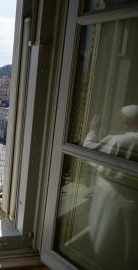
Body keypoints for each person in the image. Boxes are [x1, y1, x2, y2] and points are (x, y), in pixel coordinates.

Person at [83, 105, 138, 269]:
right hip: (132, 200)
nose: (116, 123)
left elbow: (88, 150)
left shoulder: (121, 141)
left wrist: (93, 130)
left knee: (107, 240)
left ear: (127, 123)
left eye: (118, 120)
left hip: (113, 201)